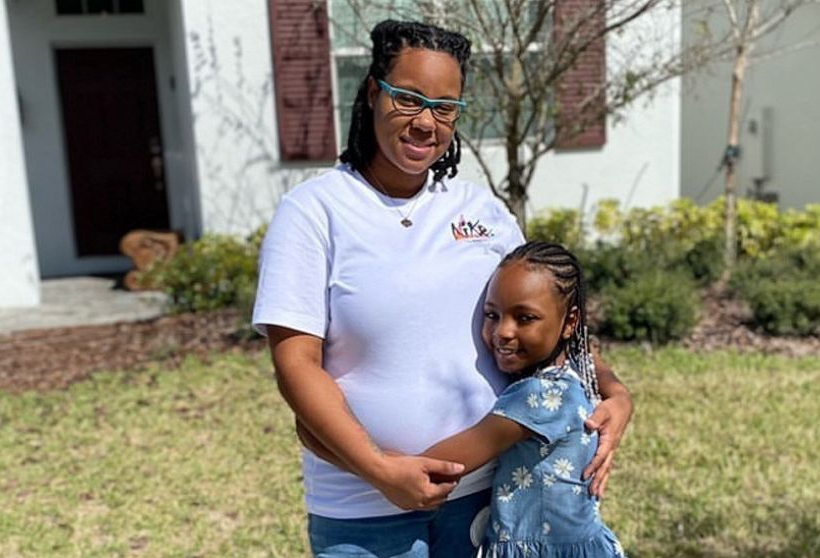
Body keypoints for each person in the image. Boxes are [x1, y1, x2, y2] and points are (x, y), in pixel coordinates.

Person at [252, 19, 633, 557]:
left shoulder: (483, 213)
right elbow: (296, 366)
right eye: (408, 98)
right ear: (371, 92)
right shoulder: (314, 213)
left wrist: (614, 393)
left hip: (484, 503)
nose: (426, 122)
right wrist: (378, 469)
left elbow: (548, 318)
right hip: (363, 512)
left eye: (445, 107)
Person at [421, 241, 626, 557]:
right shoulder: (575, 371)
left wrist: (379, 461)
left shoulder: (537, 397)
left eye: (525, 318)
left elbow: (444, 462)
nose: (503, 331)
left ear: (570, 323)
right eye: (492, 314)